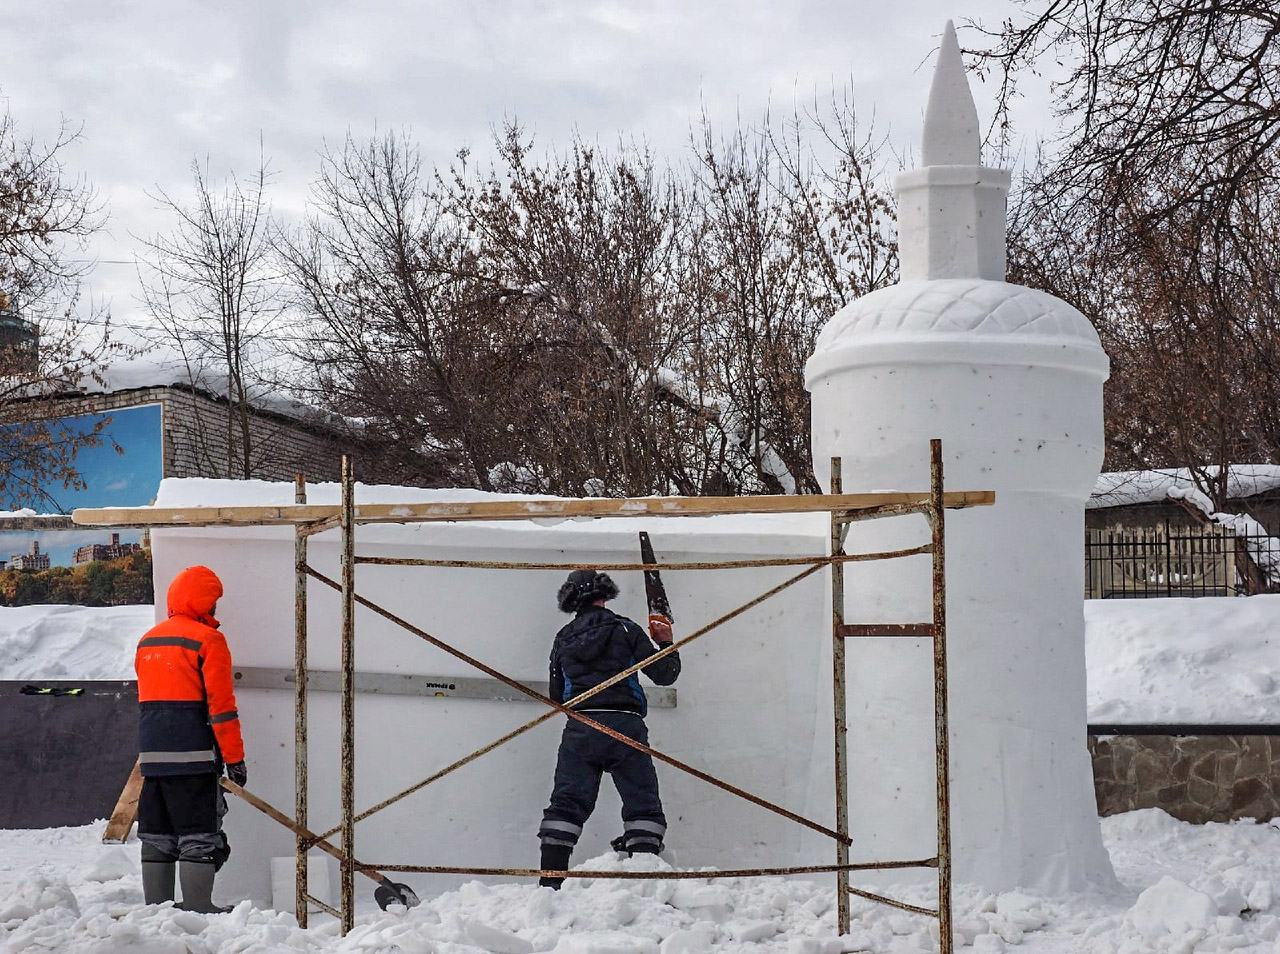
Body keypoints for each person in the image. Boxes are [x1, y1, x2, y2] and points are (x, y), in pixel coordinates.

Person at [538, 568, 681, 889]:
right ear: (605, 595)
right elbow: (665, 674)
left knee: (566, 804)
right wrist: (665, 641)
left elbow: (556, 695)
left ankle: (550, 884)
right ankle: (644, 875)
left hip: (581, 728)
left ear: (570, 601)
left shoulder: (563, 638)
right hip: (625, 727)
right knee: (642, 802)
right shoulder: (625, 629)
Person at [135, 565, 247, 913]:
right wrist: (234, 758)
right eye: (214, 602)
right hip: (194, 755)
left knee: (158, 834)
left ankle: (158, 909)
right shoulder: (208, 640)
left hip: (152, 757)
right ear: (205, 603)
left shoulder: (147, 640)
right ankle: (199, 907)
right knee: (199, 831)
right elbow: (221, 708)